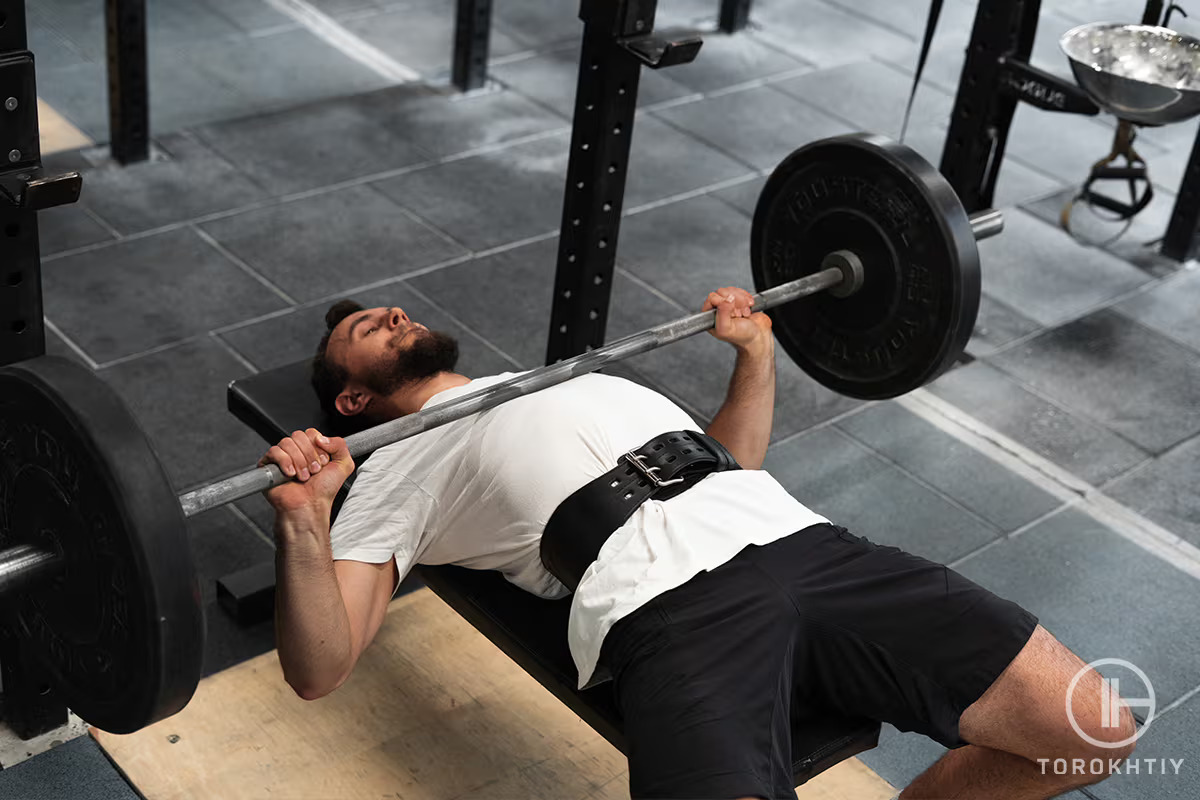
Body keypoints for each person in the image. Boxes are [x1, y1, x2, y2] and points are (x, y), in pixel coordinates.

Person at [259, 287, 1135, 800]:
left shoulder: (558, 378)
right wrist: (306, 520)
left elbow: (730, 460)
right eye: (362, 332)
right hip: (670, 617)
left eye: (391, 310)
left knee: (1093, 732)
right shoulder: (389, 464)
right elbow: (320, 668)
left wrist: (755, 357)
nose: (390, 314)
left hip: (807, 545)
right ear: (349, 402)